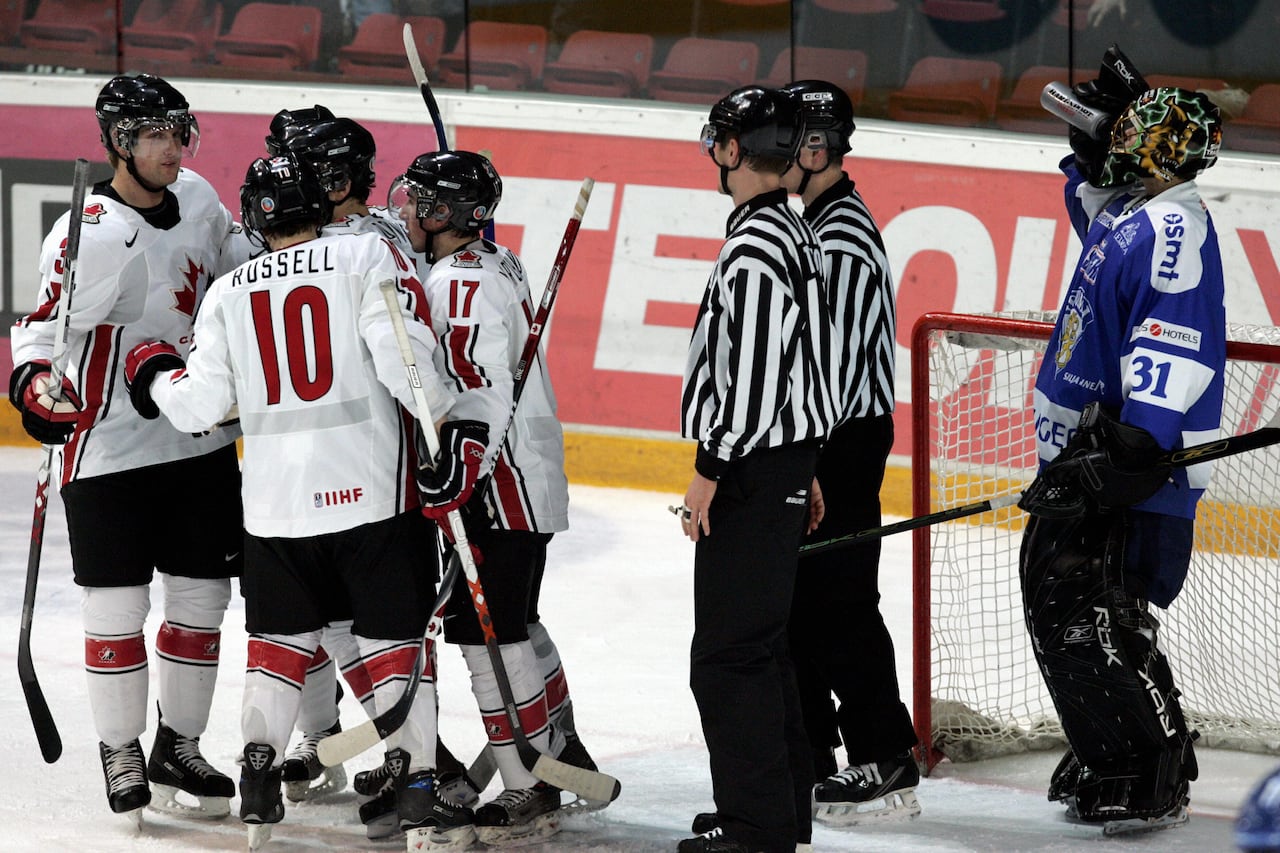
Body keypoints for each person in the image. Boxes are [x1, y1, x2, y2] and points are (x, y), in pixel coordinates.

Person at [122, 151, 479, 851]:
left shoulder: (229, 291)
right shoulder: (365, 260)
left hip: (276, 512)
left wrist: (154, 375)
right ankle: (414, 792)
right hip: (370, 500)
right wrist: (444, 431)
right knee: (390, 644)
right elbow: (410, 369)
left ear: (255, 216)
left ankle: (258, 785)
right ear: (318, 205)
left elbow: (199, 408)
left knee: (277, 648)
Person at [8, 72, 248, 825]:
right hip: (109, 447)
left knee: (203, 599)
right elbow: (41, 332)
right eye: (156, 135)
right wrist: (34, 386)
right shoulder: (90, 230)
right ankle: (121, 748)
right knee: (116, 604)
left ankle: (179, 742)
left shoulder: (204, 199)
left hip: (197, 433)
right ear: (119, 143)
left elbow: (245, 272)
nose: (174, 147)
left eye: (180, 131)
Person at [1018, 69, 1226, 835]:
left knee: (1097, 617)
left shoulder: (1175, 226)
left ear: (1163, 149)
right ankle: (1106, 743)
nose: (1121, 139)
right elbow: (1095, 207)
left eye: (1137, 128)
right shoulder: (1139, 208)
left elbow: (1173, 334)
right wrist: (1086, 146)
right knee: (1065, 606)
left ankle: (1152, 760)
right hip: (1088, 455)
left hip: (1130, 466)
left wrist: (1135, 439)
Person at [389, 148, 588, 845]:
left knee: (486, 634)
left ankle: (530, 781)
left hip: (499, 485)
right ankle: (561, 747)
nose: (405, 210)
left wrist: (461, 465)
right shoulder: (488, 263)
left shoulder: (460, 284)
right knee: (516, 622)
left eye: (418, 200)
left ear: (446, 212)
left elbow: (477, 388)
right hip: (521, 477)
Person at [678, 85, 837, 853]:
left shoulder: (754, 247)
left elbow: (753, 379)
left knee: (726, 656)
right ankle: (782, 811)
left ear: (736, 150)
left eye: (719, 140)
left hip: (749, 464)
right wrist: (804, 462)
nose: (714, 152)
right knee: (763, 644)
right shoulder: (796, 231)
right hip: (782, 458)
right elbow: (811, 363)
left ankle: (758, 828)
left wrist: (710, 466)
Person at [777, 79, 920, 826]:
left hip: (842, 440)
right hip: (834, 434)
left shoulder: (837, 238)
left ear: (816, 148)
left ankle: (886, 752)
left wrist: (807, 460)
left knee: (840, 604)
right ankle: (817, 749)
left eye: (787, 140)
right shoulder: (821, 222)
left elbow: (825, 369)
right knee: (805, 603)